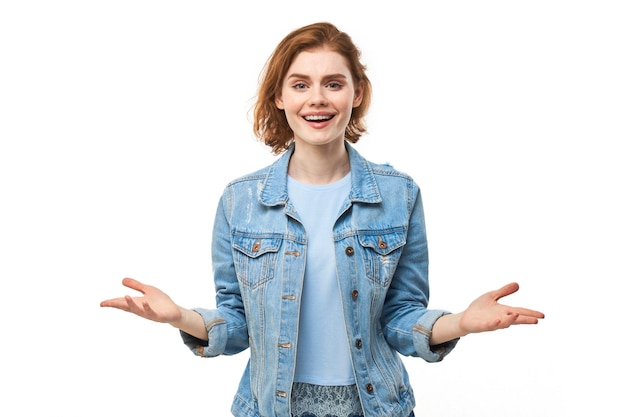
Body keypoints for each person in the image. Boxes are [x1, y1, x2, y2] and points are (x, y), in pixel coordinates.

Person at [100, 22, 544, 417]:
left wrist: (461, 322)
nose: (317, 99)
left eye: (333, 84)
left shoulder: (399, 194)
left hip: (374, 406)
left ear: (357, 93)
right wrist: (178, 315)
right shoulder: (241, 200)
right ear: (279, 96)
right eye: (300, 85)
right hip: (270, 407)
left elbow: (400, 318)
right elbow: (237, 328)